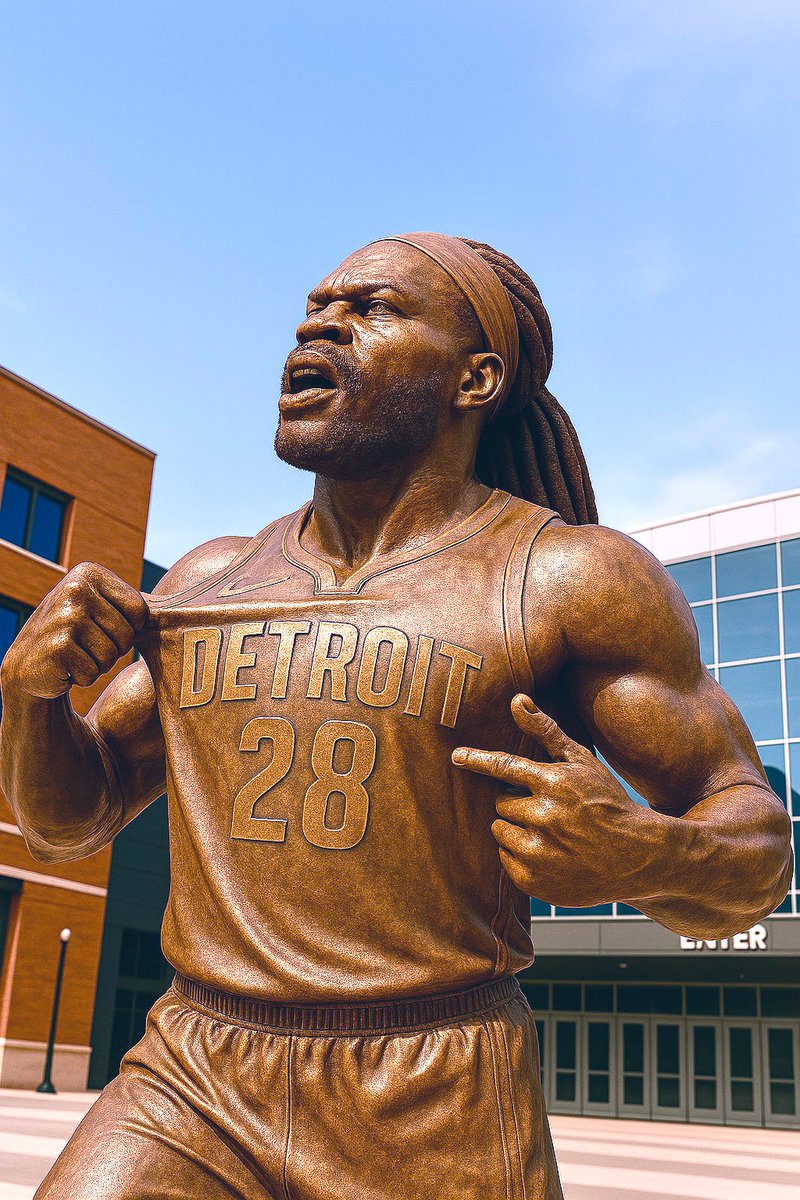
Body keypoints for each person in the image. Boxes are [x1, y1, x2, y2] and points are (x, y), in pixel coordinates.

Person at [0, 232, 792, 1200]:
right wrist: (30, 699)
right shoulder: (211, 579)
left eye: (370, 308)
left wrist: (641, 854)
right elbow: (68, 819)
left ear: (474, 379)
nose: (318, 325)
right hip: (194, 1073)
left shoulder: (567, 579)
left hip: (433, 1088)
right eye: (314, 307)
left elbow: (755, 843)